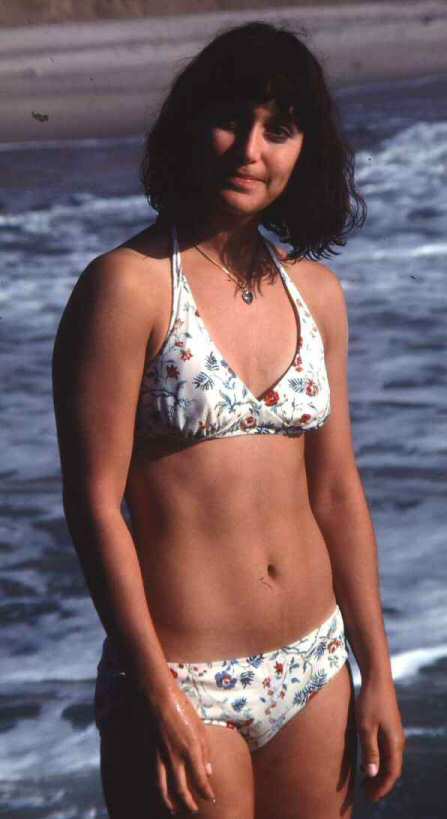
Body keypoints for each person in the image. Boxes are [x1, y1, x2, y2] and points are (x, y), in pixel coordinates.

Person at [52, 20, 405, 819]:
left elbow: (338, 491)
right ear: (189, 125)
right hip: (185, 679)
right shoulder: (128, 286)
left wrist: (373, 669)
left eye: (278, 130)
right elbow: (94, 503)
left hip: (313, 666)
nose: (251, 149)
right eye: (231, 119)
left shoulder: (314, 294)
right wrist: (154, 689)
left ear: (303, 149)